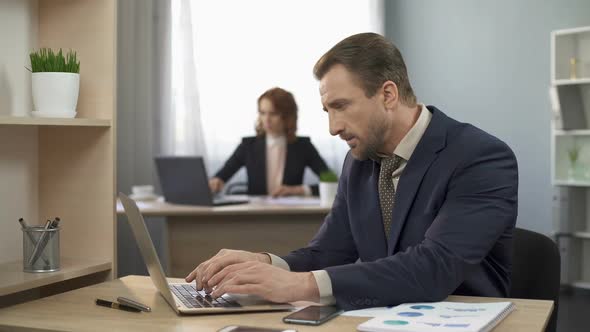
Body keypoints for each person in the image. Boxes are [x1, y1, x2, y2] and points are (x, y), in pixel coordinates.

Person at [187, 33, 518, 309]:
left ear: (388, 94)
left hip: (461, 319)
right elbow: (329, 251)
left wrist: (299, 285)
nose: (333, 128)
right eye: (327, 111)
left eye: (341, 106)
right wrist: (268, 264)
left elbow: (434, 269)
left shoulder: (480, 157)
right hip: (384, 318)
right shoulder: (359, 161)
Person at [208, 87, 331, 197]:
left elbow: (332, 181)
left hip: (291, 214)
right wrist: (216, 181)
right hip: (255, 215)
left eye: (273, 114)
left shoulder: (303, 146)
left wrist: (299, 190)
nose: (266, 120)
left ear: (288, 116)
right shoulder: (248, 146)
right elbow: (220, 176)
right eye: (262, 113)